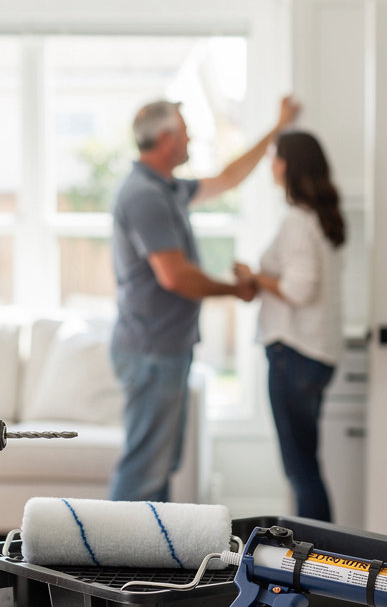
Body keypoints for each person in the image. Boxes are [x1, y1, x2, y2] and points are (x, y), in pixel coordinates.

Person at [108, 95, 300, 502]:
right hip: (151, 352)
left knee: (160, 468)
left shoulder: (169, 187)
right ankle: (108, 562)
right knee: (144, 472)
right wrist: (236, 289)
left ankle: (146, 560)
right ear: (166, 138)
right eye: (185, 129)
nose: (192, 137)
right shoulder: (145, 195)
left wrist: (277, 126)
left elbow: (229, 178)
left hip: (165, 349)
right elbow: (174, 276)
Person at [234, 130, 345, 522]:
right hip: (317, 354)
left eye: (275, 157)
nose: (271, 165)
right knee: (307, 468)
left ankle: (315, 562)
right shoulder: (321, 218)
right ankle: (319, 559)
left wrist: (254, 275)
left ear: (290, 165)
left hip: (293, 354)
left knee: (301, 472)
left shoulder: (297, 220)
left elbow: (299, 288)